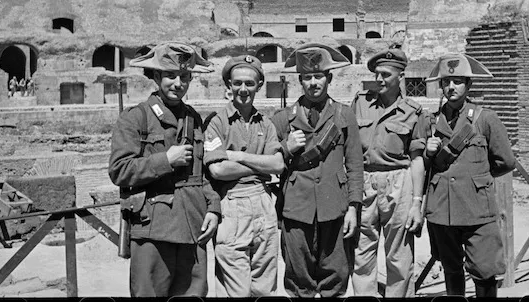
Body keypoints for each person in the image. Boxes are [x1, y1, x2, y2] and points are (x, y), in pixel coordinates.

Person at [108, 42, 221, 297]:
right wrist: (165, 161)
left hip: (194, 228)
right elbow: (119, 170)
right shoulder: (136, 117)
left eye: (184, 77)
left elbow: (200, 174)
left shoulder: (193, 118)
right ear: (157, 77)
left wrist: (213, 207)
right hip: (153, 231)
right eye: (170, 76)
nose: (177, 83)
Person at [270, 43, 363, 298]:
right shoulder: (282, 119)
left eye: (319, 76)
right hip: (297, 211)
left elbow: (355, 166)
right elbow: (270, 162)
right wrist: (287, 148)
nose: (313, 82)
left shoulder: (345, 116)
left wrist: (354, 207)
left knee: (335, 277)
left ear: (329, 78)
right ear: (300, 80)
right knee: (299, 280)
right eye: (308, 77)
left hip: (334, 209)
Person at [422, 53, 516, 298]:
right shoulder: (430, 122)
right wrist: (428, 153)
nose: (451, 87)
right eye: (445, 82)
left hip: (477, 210)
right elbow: (422, 166)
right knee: (451, 270)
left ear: (469, 85)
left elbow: (505, 161)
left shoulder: (486, 119)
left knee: (484, 271)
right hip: (443, 211)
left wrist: (478, 178)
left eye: (457, 81)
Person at [202, 55, 285, 297]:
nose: (243, 89)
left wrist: (237, 157)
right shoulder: (216, 123)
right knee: (235, 290)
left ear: (259, 86)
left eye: (250, 83)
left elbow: (278, 164)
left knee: (265, 287)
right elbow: (218, 170)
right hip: (231, 204)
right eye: (237, 83)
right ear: (228, 85)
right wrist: (262, 166)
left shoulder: (266, 124)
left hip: (263, 203)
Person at [350, 48, 427, 297]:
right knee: (361, 256)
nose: (379, 80)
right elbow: (348, 149)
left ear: (401, 76)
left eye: (385, 75)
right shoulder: (360, 103)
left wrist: (417, 203)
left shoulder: (413, 112)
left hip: (398, 183)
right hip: (364, 183)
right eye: (376, 74)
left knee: (399, 259)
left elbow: (417, 160)